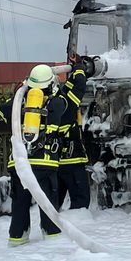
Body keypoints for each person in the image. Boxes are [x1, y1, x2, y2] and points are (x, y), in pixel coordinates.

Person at [0, 63, 62, 246]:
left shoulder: (19, 104)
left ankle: (17, 237)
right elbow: (64, 114)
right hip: (45, 162)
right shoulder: (57, 102)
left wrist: (18, 94)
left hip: (20, 163)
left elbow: (2, 111)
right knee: (47, 202)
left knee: (19, 203)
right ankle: (52, 237)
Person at [53, 55, 92, 210]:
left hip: (54, 161)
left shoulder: (48, 103)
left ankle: (52, 229)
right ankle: (74, 230)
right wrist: (80, 69)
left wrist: (74, 70)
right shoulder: (66, 104)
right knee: (81, 201)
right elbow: (80, 86)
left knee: (54, 203)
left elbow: (68, 88)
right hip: (72, 160)